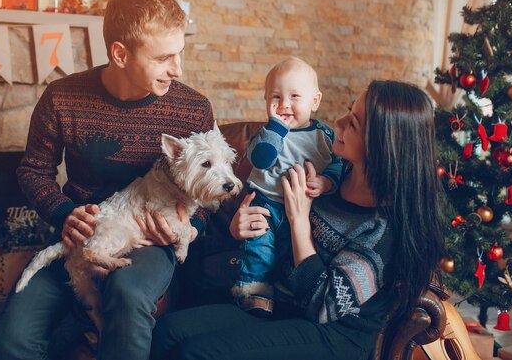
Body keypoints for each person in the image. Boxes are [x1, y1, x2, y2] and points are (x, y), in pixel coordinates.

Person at [0, 0, 214, 360]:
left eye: (179, 54)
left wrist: (193, 228)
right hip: (80, 238)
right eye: (163, 58)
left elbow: (211, 192)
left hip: (149, 241)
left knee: (127, 294)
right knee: (13, 338)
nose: (178, 69)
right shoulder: (62, 97)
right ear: (120, 53)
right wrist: (64, 214)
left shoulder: (193, 109)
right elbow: (33, 170)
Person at [151, 80, 445, 360]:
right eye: (348, 111)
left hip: (334, 332)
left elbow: (326, 306)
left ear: (381, 145)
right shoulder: (330, 175)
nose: (338, 123)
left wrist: (300, 221)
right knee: (166, 332)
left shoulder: (382, 230)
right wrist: (236, 230)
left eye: (352, 122)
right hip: (281, 303)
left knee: (194, 353)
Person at [232, 57, 342, 317]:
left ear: (315, 101)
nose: (284, 105)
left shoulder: (324, 136)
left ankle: (291, 292)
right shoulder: (265, 134)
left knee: (293, 252)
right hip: (265, 204)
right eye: (276, 97)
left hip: (309, 209)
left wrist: (326, 181)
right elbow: (262, 159)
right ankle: (254, 292)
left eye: (294, 96)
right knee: (259, 247)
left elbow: (338, 164)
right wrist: (277, 129)